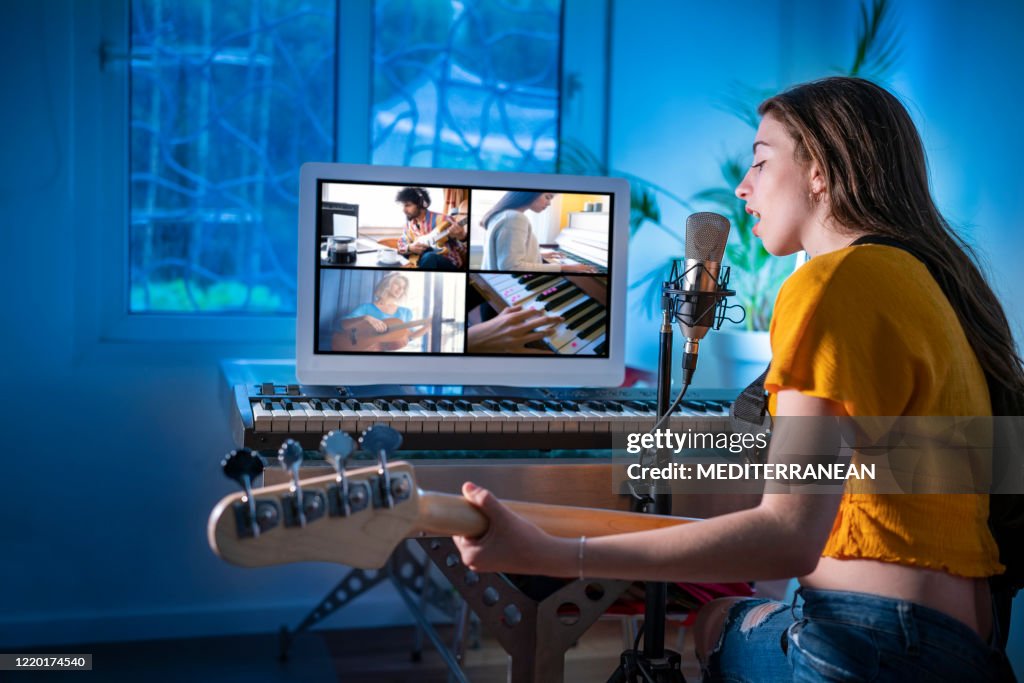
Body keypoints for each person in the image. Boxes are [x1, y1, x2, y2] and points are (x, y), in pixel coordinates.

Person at [453, 77, 1021, 680]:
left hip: (873, 642)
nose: (742, 187)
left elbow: (786, 536)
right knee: (728, 612)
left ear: (820, 172)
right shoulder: (930, 282)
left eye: (759, 161)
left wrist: (558, 553)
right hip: (964, 646)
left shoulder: (831, 283)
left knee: (716, 622)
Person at [479, 191, 595, 273]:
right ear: (531, 193)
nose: (549, 203)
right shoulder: (514, 218)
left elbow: (504, 254)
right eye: (548, 197)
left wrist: (538, 255)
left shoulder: (503, 214)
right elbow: (511, 267)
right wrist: (566, 268)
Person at [341, 273, 427, 349]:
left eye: (404, 287)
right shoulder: (366, 308)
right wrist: (366, 318)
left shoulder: (406, 312)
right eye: (397, 284)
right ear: (387, 284)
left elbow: (411, 335)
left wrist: (429, 326)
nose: (401, 289)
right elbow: (343, 323)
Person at [395, 187, 467, 271]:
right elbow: (400, 245)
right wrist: (410, 248)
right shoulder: (408, 225)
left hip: (446, 262)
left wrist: (462, 237)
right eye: (403, 206)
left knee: (429, 257)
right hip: (420, 261)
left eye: (408, 205)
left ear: (421, 203)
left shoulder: (444, 220)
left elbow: (463, 249)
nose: (404, 210)